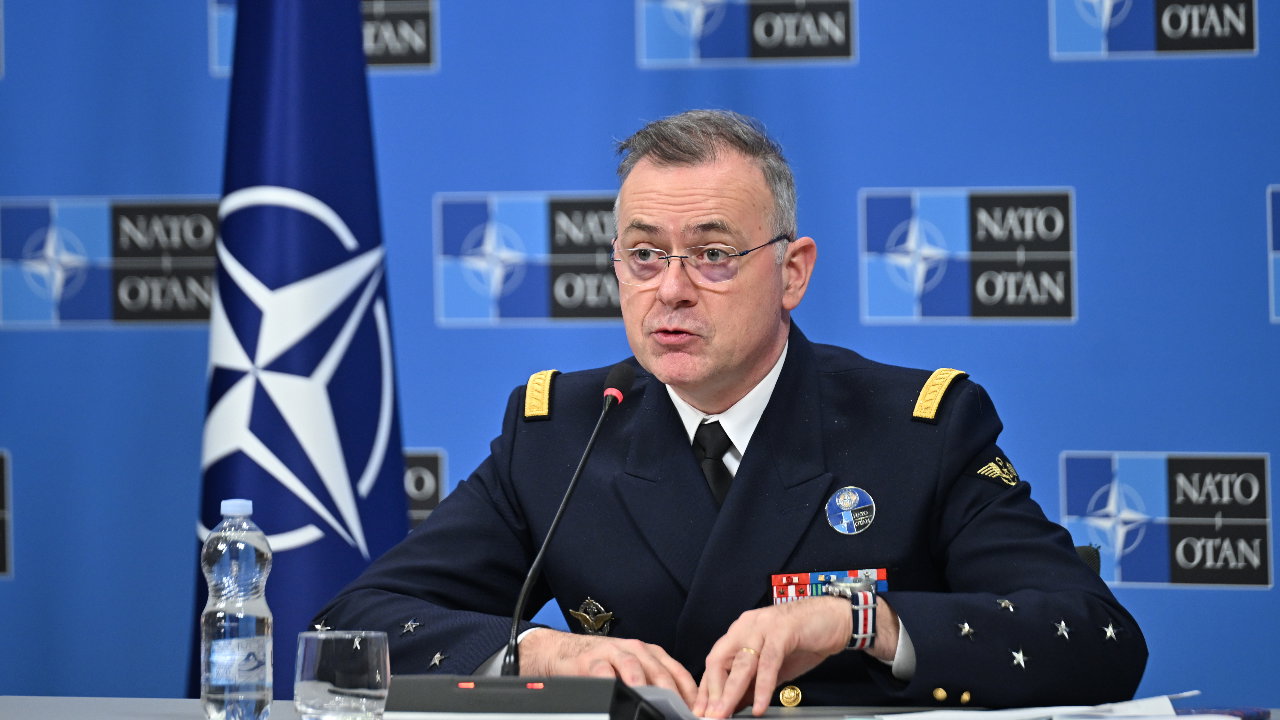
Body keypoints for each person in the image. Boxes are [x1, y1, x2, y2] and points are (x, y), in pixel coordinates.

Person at [314, 109, 1147, 715]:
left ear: (792, 272)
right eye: (645, 255)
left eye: (713, 255)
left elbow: (1096, 635)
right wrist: (540, 649)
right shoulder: (560, 432)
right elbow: (350, 630)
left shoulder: (918, 428)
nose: (671, 289)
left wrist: (860, 620)